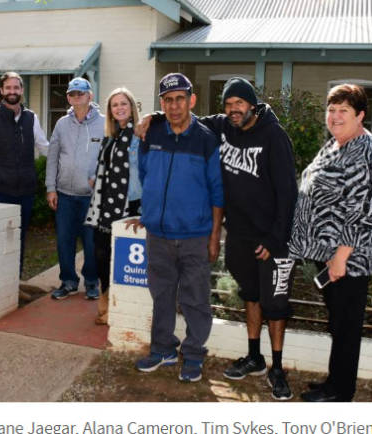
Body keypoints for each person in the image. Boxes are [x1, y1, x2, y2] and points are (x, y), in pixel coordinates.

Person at [139, 77, 298, 399]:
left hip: (260, 237)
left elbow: (286, 193)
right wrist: (150, 116)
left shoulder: (268, 137)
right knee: (247, 295)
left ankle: (271, 367)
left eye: (239, 103)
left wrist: (271, 238)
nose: (234, 110)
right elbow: (152, 163)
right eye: (228, 105)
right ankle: (247, 356)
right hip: (225, 234)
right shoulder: (217, 128)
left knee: (269, 304)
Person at [289, 83, 372, 402]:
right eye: (331, 109)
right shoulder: (335, 145)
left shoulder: (366, 149)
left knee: (346, 326)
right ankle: (334, 381)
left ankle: (341, 391)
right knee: (338, 322)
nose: (335, 116)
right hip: (331, 254)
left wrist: (341, 256)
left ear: (361, 115)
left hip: (351, 257)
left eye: (343, 111)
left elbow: (364, 207)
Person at [130, 73, 224, 383]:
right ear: (162, 104)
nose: (174, 106)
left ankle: (194, 354)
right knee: (161, 296)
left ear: (191, 100)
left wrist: (214, 238)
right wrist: (154, 210)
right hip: (158, 234)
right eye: (168, 100)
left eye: (180, 99)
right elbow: (145, 176)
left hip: (195, 236)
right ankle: (163, 349)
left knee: (195, 298)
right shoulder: (152, 134)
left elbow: (217, 192)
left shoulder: (207, 139)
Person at [0, 71, 50, 278]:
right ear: (1, 91)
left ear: (22, 90)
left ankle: (13, 283)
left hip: (25, 191)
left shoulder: (31, 117)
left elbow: (44, 147)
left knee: (19, 238)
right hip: (0, 191)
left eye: (16, 88)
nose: (12, 91)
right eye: (8, 88)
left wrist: (68, 156)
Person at [85, 87, 142, 324]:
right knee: (101, 255)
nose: (119, 108)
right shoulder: (110, 136)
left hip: (129, 206)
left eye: (123, 104)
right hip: (104, 207)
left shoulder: (139, 135)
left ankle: (118, 307)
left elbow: (145, 173)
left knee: (123, 260)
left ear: (131, 108)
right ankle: (105, 297)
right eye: (114, 105)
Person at [46, 77, 104, 300]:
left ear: (90, 96)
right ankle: (68, 281)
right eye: (72, 94)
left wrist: (96, 178)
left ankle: (91, 282)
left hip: (91, 197)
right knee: (64, 241)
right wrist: (51, 188)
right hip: (65, 196)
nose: (76, 97)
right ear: (68, 97)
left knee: (91, 244)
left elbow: (108, 158)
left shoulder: (103, 123)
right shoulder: (61, 124)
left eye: (81, 93)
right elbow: (52, 158)